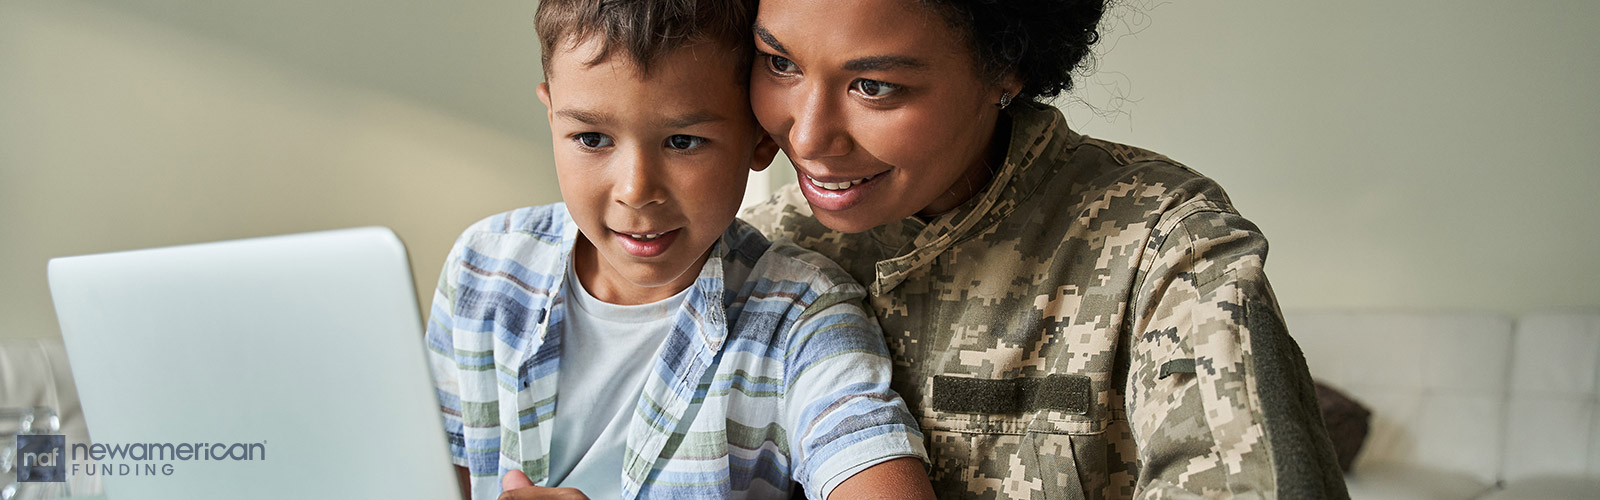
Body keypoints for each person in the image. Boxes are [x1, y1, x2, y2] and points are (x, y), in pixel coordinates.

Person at [739, 0, 1351, 498]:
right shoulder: (757, 258)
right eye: (779, 63)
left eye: (874, 86)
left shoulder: (1166, 248)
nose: (808, 134)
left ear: (1006, 65)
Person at [423, 1, 936, 499]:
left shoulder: (801, 318)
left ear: (758, 139)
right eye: (592, 138)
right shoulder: (484, 267)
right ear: (552, 117)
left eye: (683, 142)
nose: (635, 189)